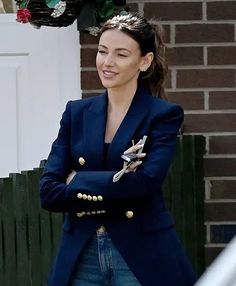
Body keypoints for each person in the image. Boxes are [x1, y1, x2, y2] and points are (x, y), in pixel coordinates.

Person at [40, 13, 197, 286]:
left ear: (144, 61)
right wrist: (121, 180)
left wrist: (77, 180)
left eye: (121, 54)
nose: (107, 62)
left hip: (141, 250)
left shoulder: (162, 115)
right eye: (102, 51)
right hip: (81, 251)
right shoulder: (76, 113)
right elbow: (49, 192)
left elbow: (146, 183)